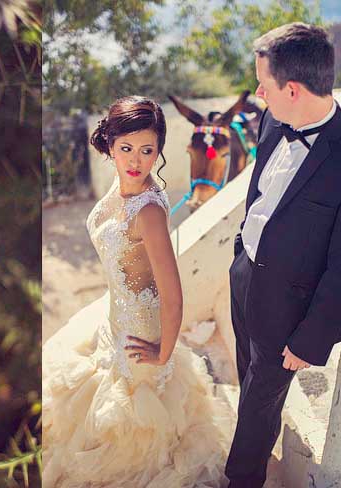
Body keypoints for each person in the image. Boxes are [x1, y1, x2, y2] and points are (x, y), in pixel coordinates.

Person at [42, 96, 233, 487]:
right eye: (126, 148)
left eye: (148, 150)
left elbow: (174, 294)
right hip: (115, 318)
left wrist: (162, 354)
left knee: (134, 442)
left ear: (159, 150)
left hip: (140, 335)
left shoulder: (148, 212)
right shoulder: (121, 184)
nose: (136, 160)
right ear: (110, 144)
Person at [225, 23, 341, 487]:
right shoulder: (272, 120)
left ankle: (242, 479)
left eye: (264, 85)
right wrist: (240, 252)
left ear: (291, 89)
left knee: (258, 403)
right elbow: (260, 195)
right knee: (248, 377)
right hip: (244, 275)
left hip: (287, 311)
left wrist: (312, 338)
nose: (258, 93)